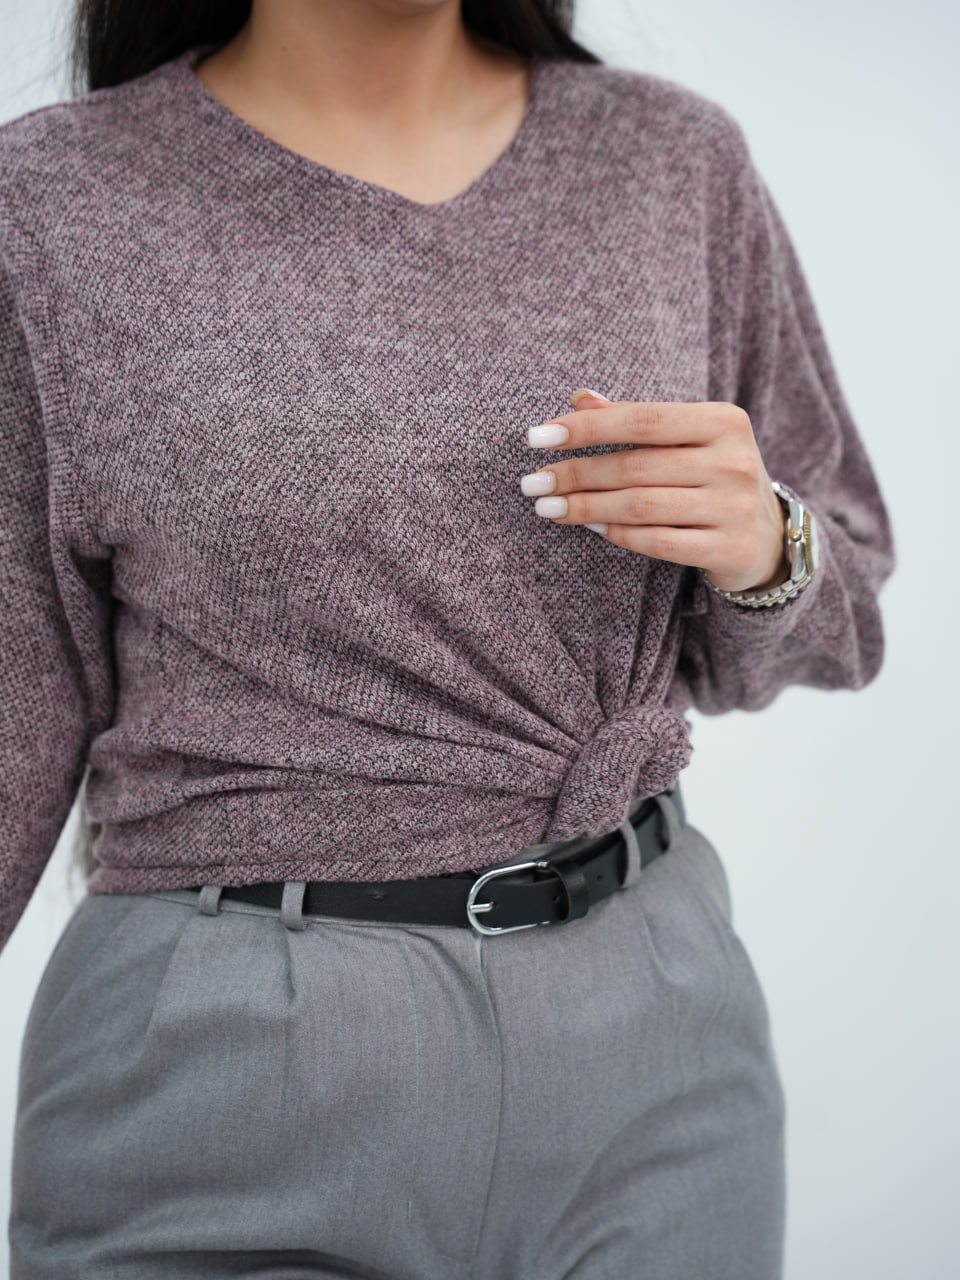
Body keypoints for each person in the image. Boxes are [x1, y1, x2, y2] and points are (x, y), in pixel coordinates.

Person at [1, 1, 896, 1277]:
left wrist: (766, 543)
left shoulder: (673, 161)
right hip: (229, 1079)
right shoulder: (48, 205)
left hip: (660, 1060)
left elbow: (845, 600)